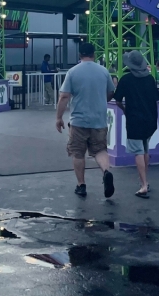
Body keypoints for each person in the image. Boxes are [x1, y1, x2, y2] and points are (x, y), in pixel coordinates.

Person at [55, 41, 116, 198]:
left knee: (77, 153)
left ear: (79, 55)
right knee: (100, 150)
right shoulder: (103, 71)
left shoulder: (73, 72)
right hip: (99, 119)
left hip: (79, 121)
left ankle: (81, 185)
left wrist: (58, 117)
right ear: (94, 54)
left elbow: (64, 96)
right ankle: (106, 171)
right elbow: (111, 92)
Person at [113, 51, 159, 198]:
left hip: (134, 119)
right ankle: (145, 181)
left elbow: (118, 100)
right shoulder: (150, 79)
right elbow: (157, 98)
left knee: (138, 151)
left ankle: (143, 184)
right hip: (151, 119)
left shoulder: (126, 80)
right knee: (145, 149)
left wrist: (125, 110)